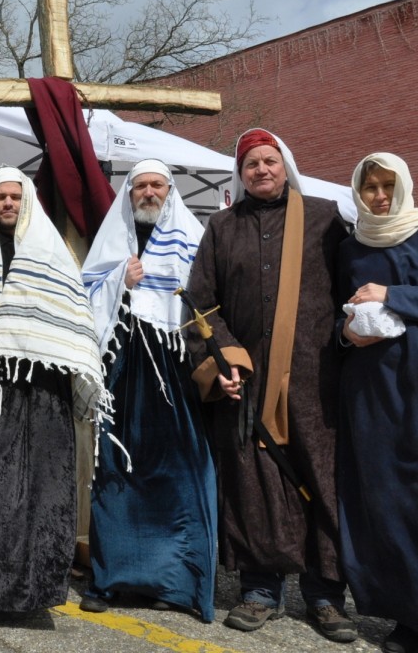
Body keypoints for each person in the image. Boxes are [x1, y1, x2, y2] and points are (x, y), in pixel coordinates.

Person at [185, 128, 355, 642]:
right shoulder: (221, 227)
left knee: (321, 481)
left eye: (269, 162)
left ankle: (325, 595)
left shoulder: (325, 219)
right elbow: (201, 304)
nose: (261, 170)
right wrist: (225, 362)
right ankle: (260, 589)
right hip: (246, 384)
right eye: (251, 164)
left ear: (285, 166)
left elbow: (353, 291)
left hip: (314, 381)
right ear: (241, 173)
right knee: (254, 483)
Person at [0, 165, 104, 614]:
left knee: (44, 492)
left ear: (27, 201)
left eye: (15, 197)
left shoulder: (53, 253)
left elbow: (74, 321)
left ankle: (35, 591)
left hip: (42, 390)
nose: (8, 203)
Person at [80, 160, 216, 621]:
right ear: (129, 193)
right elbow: (85, 291)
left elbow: (207, 299)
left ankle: (175, 583)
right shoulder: (112, 237)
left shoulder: (192, 236)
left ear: (170, 192)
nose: (149, 193)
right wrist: (121, 280)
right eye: (140, 186)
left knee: (177, 471)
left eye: (157, 185)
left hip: (173, 364)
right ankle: (111, 579)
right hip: (122, 361)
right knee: (116, 469)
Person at [336, 152, 418, 653]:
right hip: (370, 387)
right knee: (382, 499)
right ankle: (404, 612)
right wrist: (346, 334)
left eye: (389, 186)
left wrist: (393, 295)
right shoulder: (350, 249)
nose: (381, 196)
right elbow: (337, 310)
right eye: (370, 188)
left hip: (414, 380)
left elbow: (384, 297)